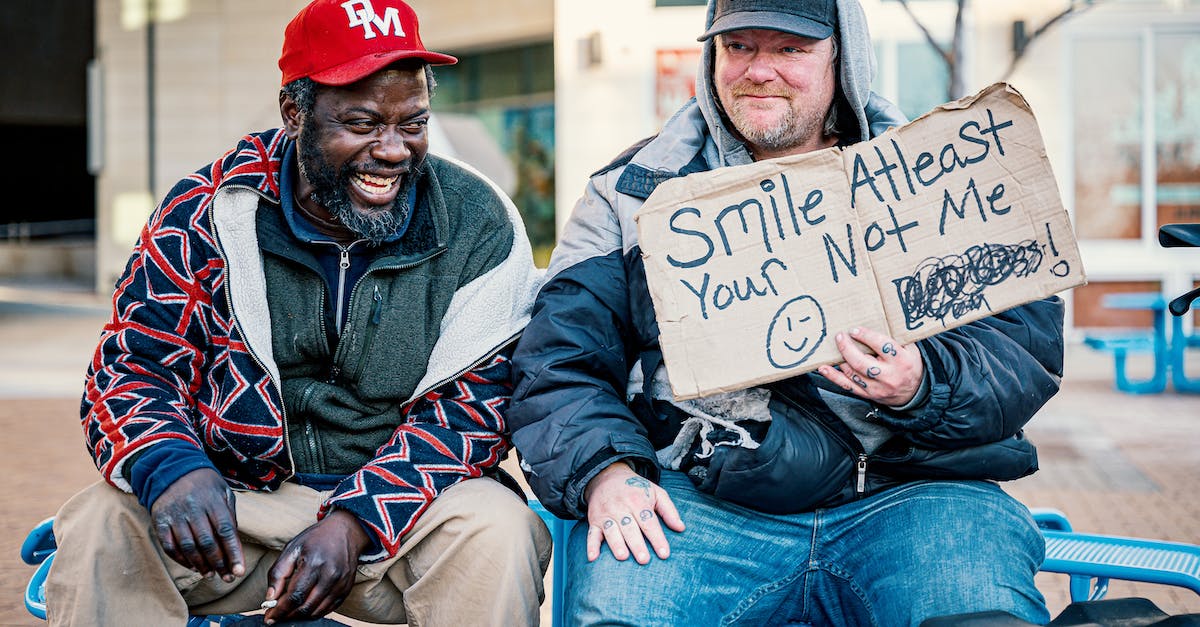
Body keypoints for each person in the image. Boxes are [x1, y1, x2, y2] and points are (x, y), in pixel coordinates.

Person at [508, 0, 1064, 625]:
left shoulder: (939, 174)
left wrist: (920, 385)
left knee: (976, 615)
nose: (758, 70)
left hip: (918, 495)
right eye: (739, 46)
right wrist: (606, 470)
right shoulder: (631, 192)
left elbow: (1022, 347)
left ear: (842, 58)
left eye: (790, 49)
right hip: (700, 503)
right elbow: (557, 359)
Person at [45, 1, 550, 625]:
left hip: (403, 517)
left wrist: (354, 522)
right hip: (240, 510)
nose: (392, 151)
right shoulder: (207, 211)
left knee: (501, 528)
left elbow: (475, 406)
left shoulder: (479, 220)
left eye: (412, 122)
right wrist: (172, 469)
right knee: (104, 520)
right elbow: (135, 366)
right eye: (362, 123)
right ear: (295, 113)